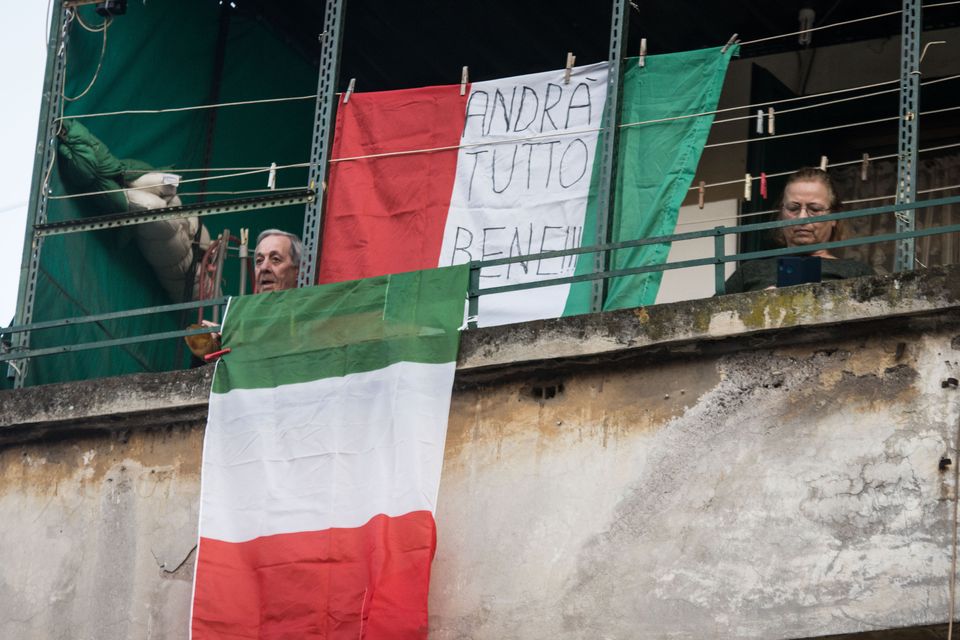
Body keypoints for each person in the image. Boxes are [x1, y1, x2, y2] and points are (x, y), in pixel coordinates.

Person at [723, 167, 874, 294]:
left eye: (814, 209)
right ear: (781, 214)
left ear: (833, 216)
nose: (802, 217)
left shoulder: (856, 272)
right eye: (793, 208)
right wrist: (755, 306)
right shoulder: (750, 271)